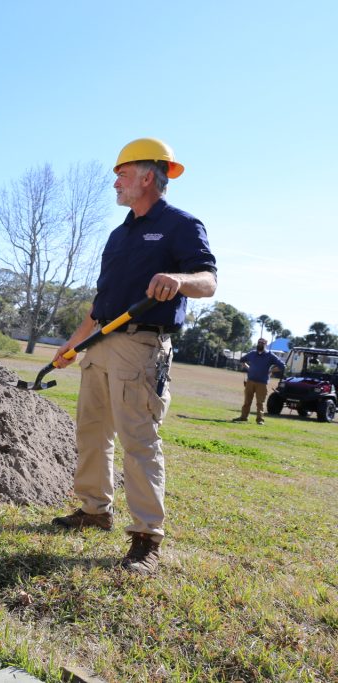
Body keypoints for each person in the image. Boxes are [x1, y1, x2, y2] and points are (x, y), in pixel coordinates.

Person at [50, 138, 217, 575]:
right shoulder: (118, 235)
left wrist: (178, 280)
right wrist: (73, 344)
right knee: (92, 433)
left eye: (122, 174)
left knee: (139, 441)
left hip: (140, 347)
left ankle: (146, 537)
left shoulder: (181, 225)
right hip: (100, 344)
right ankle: (94, 510)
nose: (115, 182)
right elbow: (100, 303)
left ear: (147, 177)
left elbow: (208, 281)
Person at [233, 338, 285, 424]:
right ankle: (243, 417)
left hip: (262, 383)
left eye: (262, 343)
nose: (260, 344)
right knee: (247, 401)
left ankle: (260, 420)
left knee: (260, 402)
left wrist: (271, 370)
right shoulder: (252, 353)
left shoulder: (270, 355)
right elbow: (242, 360)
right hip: (250, 381)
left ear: (265, 345)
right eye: (259, 342)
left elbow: (282, 366)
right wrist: (248, 368)